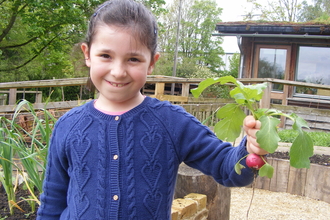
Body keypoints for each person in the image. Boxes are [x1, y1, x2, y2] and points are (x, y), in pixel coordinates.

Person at [36, 0, 268, 219]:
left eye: (133, 59)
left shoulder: (172, 122)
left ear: (152, 62)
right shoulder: (67, 125)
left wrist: (250, 150)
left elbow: (225, 166)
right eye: (105, 55)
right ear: (87, 54)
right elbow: (53, 201)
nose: (118, 71)